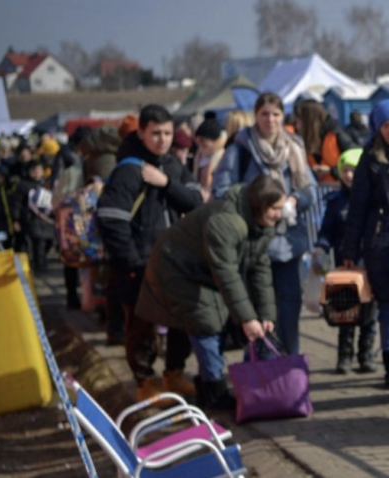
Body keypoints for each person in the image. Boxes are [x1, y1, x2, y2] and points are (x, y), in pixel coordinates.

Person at [135, 175, 283, 410]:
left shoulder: (261, 225)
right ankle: (213, 389)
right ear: (260, 205)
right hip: (177, 268)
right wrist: (247, 318)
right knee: (206, 322)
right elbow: (227, 274)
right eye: (275, 208)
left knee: (209, 320)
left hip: (201, 271)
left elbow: (260, 269)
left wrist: (265, 314)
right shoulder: (227, 222)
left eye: (280, 208)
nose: (279, 214)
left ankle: (200, 384)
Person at [96, 104, 204, 400]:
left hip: (176, 262)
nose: (163, 139)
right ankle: (144, 382)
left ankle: (174, 375)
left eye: (168, 133)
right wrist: (131, 262)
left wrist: (167, 184)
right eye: (155, 133)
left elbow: (195, 202)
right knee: (141, 326)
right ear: (142, 132)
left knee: (181, 320)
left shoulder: (173, 167)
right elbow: (111, 219)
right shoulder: (128, 170)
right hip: (140, 264)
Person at [212, 92, 316, 356]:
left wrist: (294, 199)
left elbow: (310, 190)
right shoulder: (241, 148)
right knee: (260, 314)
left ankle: (290, 369)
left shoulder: (295, 146)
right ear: (255, 116)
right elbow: (222, 189)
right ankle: (259, 373)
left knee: (290, 308)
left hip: (289, 241)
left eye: (276, 114)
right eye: (264, 114)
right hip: (255, 242)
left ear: (284, 117)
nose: (270, 120)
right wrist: (258, 204)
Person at [341, 99, 389, 390]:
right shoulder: (369, 160)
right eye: (385, 125)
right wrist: (350, 250)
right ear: (377, 128)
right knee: (388, 308)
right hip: (381, 243)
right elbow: (357, 208)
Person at [313, 148, 378, 375]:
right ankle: (344, 358)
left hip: (369, 267)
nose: (350, 176)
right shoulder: (335, 202)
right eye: (346, 171)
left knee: (369, 314)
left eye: (355, 171)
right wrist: (320, 249)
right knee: (345, 312)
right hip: (345, 268)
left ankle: (366, 356)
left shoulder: (373, 199)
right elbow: (326, 232)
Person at [294, 99, 357, 183]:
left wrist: (331, 170)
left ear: (309, 121)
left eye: (299, 120)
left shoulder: (336, 135)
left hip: (343, 191)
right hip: (320, 191)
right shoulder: (303, 140)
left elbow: (358, 165)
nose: (296, 125)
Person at [17, 161, 55, 271]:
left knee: (49, 242)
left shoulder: (48, 184)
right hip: (33, 220)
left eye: (39, 170)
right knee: (39, 244)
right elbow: (17, 203)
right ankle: (40, 267)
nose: (36, 173)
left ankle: (40, 262)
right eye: (34, 170)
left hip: (48, 220)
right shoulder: (24, 185)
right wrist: (17, 219)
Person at [192, 117, 226, 201]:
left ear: (216, 141)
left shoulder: (224, 158)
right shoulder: (198, 156)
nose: (200, 145)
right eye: (198, 142)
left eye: (204, 143)